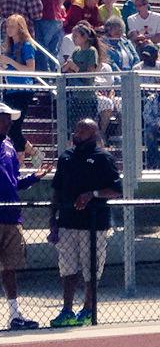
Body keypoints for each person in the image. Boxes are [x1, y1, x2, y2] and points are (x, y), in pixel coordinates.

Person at [48, 118, 123, 327]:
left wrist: (93, 194)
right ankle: (67, 311)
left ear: (93, 135)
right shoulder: (66, 157)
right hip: (67, 222)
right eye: (76, 130)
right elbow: (57, 190)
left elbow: (117, 190)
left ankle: (89, 309)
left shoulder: (103, 158)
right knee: (67, 268)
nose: (76, 135)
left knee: (91, 269)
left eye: (82, 132)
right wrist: (52, 219)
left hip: (94, 224)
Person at [0, 101, 51, 330]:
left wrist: (35, 177)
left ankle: (14, 314)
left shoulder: (10, 145)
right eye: (5, 117)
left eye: (10, 118)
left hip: (11, 215)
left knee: (10, 267)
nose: (9, 122)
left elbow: (14, 183)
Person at [1, 14, 39, 159]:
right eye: (7, 26)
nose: (9, 29)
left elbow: (30, 69)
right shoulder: (10, 46)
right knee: (11, 128)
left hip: (22, 90)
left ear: (20, 28)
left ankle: (32, 154)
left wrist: (10, 61)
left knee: (14, 127)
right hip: (10, 89)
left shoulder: (27, 45)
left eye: (12, 26)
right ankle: (23, 158)